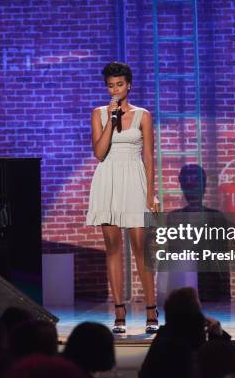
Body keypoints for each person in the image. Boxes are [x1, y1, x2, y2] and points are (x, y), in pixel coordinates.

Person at [86, 62, 158, 334]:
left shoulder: (143, 115)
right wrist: (110, 121)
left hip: (134, 181)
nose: (115, 89)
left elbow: (149, 158)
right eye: (110, 85)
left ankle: (151, 309)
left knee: (141, 247)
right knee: (113, 247)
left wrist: (152, 194)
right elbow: (99, 153)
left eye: (119, 84)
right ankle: (119, 311)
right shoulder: (99, 113)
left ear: (129, 85)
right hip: (108, 180)